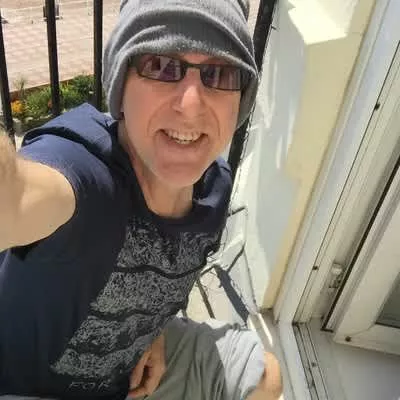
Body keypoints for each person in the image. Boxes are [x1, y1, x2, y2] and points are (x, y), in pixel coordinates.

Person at [0, 0, 282, 399]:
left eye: (219, 74)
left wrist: (154, 331)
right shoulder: (83, 172)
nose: (190, 106)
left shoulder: (214, 190)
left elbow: (160, 285)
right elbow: (16, 198)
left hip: (129, 372)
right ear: (121, 85)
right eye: (161, 67)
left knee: (265, 378)